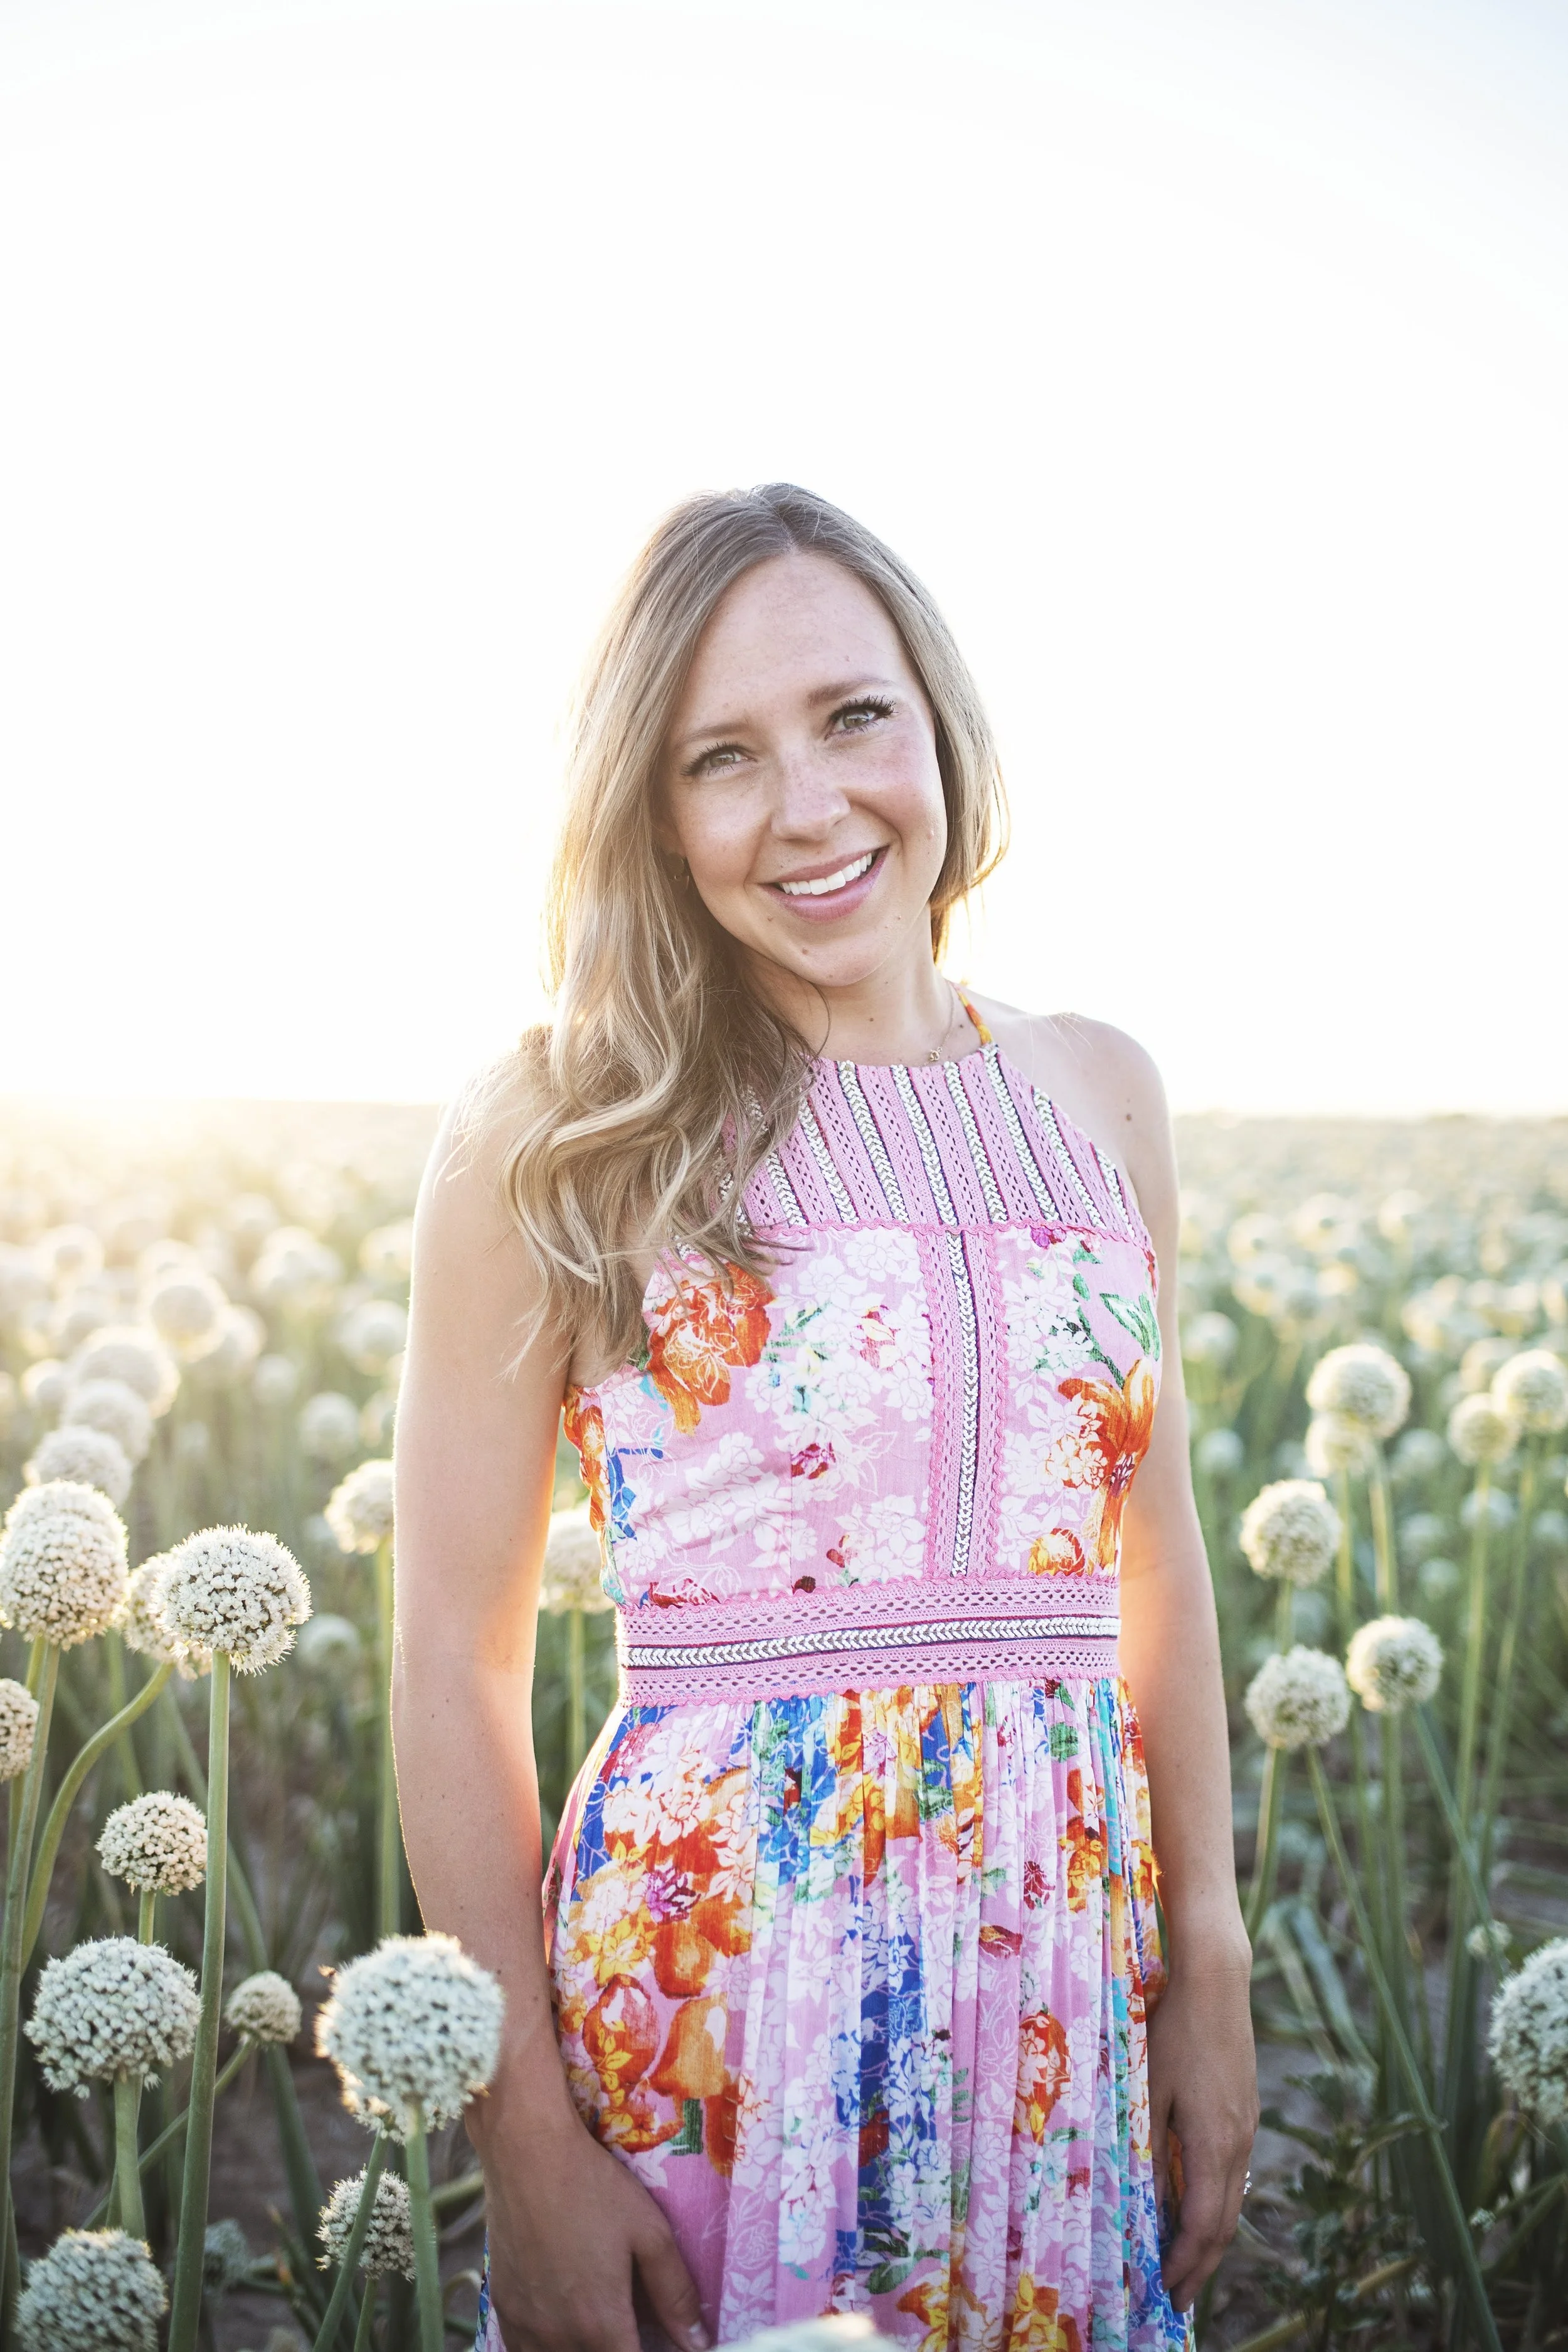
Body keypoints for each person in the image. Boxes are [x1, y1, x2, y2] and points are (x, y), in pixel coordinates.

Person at [395, 484, 1258, 2352]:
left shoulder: (1102, 1089)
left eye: (852, 716)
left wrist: (1208, 1959)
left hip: (1056, 1981)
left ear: (936, 720)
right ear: (649, 806)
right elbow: (448, 1666)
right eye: (722, 755)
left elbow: (1151, 1562)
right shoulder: (558, 1125)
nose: (806, 804)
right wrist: (521, 2139)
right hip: (714, 2006)